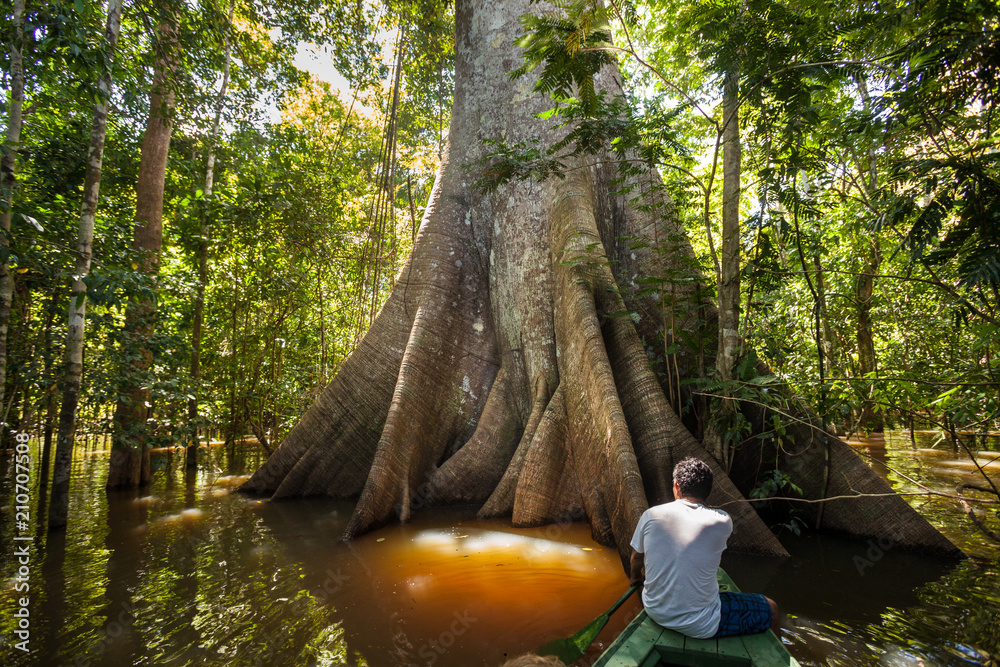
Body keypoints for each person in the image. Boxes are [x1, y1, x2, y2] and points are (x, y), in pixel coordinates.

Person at [629, 457, 780, 639]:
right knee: (771, 607)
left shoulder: (650, 515)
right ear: (708, 492)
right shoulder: (723, 521)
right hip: (701, 624)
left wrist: (635, 578)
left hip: (654, 611)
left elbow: (637, 557)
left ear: (676, 486)